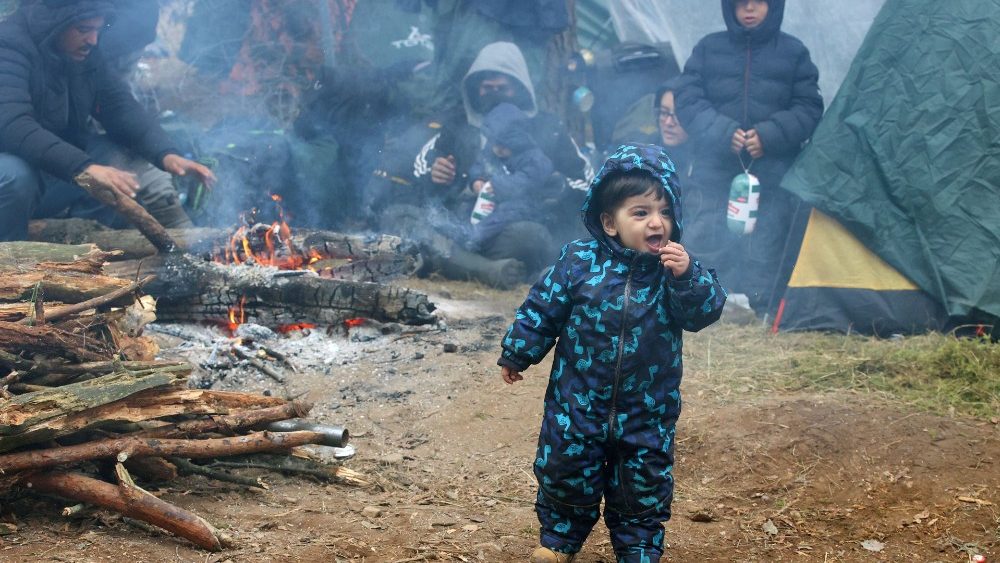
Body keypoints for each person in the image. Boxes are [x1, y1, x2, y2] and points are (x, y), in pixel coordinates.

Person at [498, 144, 727, 563]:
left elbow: (704, 312)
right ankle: (558, 541)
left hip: (647, 412)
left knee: (642, 486)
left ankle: (638, 549)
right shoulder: (578, 262)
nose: (656, 222)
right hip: (577, 405)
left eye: (665, 212)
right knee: (566, 473)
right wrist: (518, 351)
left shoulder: (674, 271)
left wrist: (688, 277)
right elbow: (543, 308)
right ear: (609, 222)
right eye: (640, 213)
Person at [370, 41, 593, 287]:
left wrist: (550, 187)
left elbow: (586, 181)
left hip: (507, 232)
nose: (494, 94)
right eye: (487, 88)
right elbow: (421, 167)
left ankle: (445, 261)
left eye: (503, 88)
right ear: (475, 90)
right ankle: (487, 271)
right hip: (456, 226)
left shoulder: (547, 129)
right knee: (397, 217)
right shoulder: (457, 124)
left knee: (531, 237)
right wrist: (435, 174)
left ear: (520, 88)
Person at [0, 0, 215, 241]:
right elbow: (13, 126)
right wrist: (84, 167)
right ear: (55, 24)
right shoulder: (8, 46)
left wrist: (166, 154)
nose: (92, 40)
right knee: (15, 176)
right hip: (11, 170)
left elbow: (118, 105)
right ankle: (9, 264)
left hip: (45, 166)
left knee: (114, 163)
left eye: (97, 30)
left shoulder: (83, 52)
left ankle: (78, 252)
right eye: (84, 30)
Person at [675, 0, 822, 314]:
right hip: (714, 171)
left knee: (766, 244)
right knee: (707, 237)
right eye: (741, 3)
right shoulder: (708, 48)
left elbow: (809, 107)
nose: (749, 9)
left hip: (771, 173)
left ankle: (763, 309)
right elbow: (687, 100)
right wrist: (722, 132)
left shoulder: (794, 52)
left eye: (758, 2)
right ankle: (701, 307)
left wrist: (769, 135)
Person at [466, 102, 555, 263]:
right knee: (466, 206)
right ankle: (462, 232)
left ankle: (475, 237)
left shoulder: (535, 158)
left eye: (505, 145)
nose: (498, 149)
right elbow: (479, 165)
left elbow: (526, 181)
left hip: (525, 205)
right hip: (490, 201)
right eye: (495, 143)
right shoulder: (491, 151)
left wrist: (498, 186)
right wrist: (477, 181)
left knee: (507, 212)